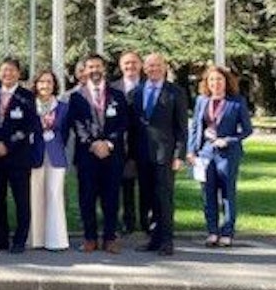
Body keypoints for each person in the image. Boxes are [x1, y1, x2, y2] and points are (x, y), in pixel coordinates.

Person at [68, 53, 131, 254]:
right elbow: (77, 124)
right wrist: (93, 143)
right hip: (87, 155)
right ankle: (90, 238)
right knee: (87, 198)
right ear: (85, 71)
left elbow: (123, 123)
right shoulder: (77, 97)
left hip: (112, 156)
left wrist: (109, 143)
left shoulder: (118, 95)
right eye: (90, 67)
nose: (94, 70)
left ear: (104, 68)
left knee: (111, 198)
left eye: (98, 66)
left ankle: (110, 238)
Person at [129, 53, 188, 256]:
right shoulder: (136, 92)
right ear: (144, 69)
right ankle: (153, 239)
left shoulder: (175, 92)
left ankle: (166, 240)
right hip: (142, 154)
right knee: (147, 198)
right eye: (150, 66)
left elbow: (181, 127)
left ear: (164, 67)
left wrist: (179, 155)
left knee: (164, 198)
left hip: (165, 154)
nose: (153, 69)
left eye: (157, 65)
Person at [187, 65, 253, 248]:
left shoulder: (237, 102)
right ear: (207, 83)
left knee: (227, 194)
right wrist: (191, 151)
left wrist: (229, 140)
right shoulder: (202, 100)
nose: (216, 83)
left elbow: (247, 130)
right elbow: (195, 128)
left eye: (219, 80)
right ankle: (212, 231)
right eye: (212, 80)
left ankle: (227, 232)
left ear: (226, 82)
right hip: (206, 154)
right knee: (207, 194)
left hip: (227, 154)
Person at [0, 58, 41, 254]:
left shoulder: (27, 97)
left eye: (11, 71)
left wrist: (7, 145)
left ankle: (19, 240)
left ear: (18, 73)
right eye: (4, 71)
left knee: (21, 199)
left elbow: (29, 126)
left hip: (18, 156)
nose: (7, 74)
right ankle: (1, 239)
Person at [29, 69, 71, 251]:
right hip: (34, 154)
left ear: (54, 85)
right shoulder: (30, 106)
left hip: (56, 154)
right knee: (34, 194)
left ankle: (56, 240)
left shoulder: (63, 107)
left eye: (49, 82)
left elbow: (67, 132)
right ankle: (36, 238)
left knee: (55, 195)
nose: (45, 85)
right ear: (36, 85)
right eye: (41, 82)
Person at [112, 50, 145, 236]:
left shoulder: (149, 86)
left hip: (144, 143)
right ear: (120, 66)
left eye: (134, 63)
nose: (130, 66)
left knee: (147, 185)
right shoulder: (113, 88)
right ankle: (127, 222)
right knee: (123, 184)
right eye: (126, 63)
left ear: (140, 65)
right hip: (119, 143)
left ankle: (147, 221)